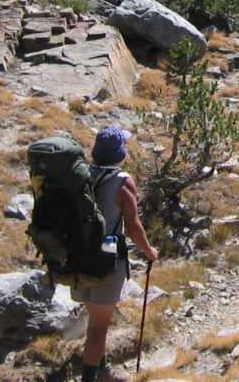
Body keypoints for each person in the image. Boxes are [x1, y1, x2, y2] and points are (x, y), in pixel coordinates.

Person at [73, 124, 159, 382]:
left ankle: (104, 368)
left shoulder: (80, 175)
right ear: (119, 152)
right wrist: (149, 252)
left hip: (77, 257)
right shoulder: (122, 182)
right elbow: (134, 226)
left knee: (94, 319)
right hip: (107, 261)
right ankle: (91, 378)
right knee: (99, 328)